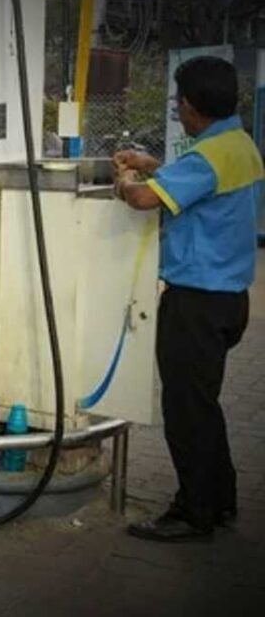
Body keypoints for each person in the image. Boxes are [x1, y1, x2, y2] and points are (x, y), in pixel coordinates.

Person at [113, 56, 263, 542]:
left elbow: (143, 200)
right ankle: (219, 500)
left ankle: (191, 512)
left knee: (186, 411)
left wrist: (124, 180)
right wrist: (151, 165)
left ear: (195, 106)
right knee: (204, 404)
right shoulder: (237, 145)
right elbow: (197, 182)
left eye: (179, 101)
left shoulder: (207, 157)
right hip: (230, 299)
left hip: (196, 302)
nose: (177, 109)